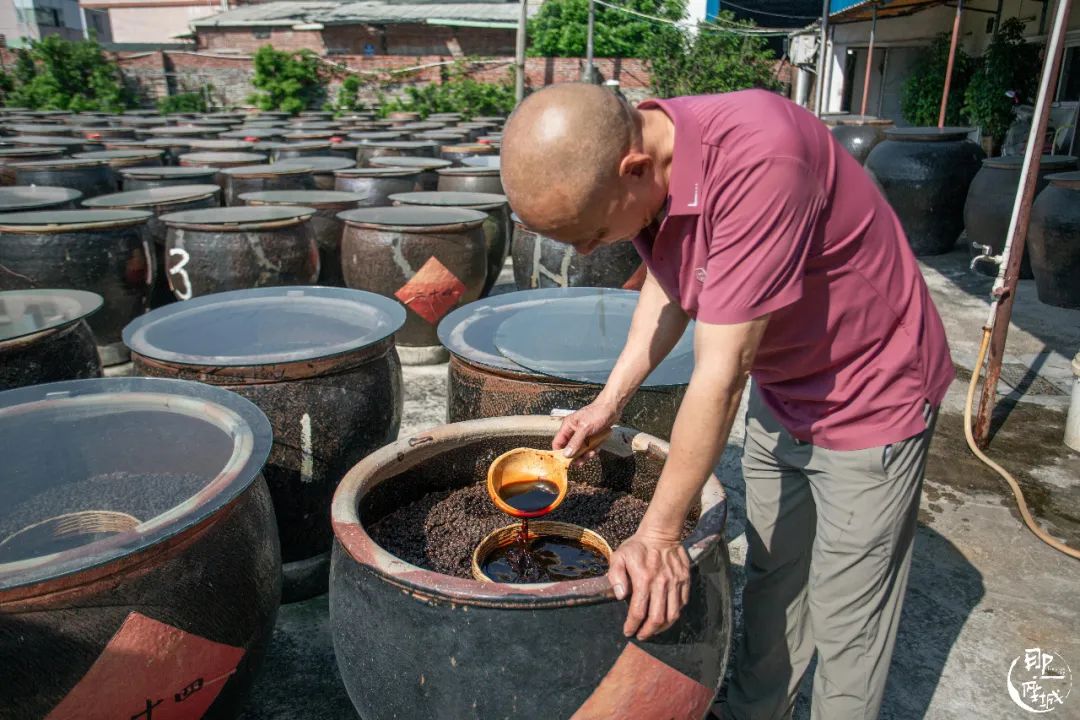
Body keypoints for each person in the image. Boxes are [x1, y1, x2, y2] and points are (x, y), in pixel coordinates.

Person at [499, 83, 954, 720]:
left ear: (633, 170)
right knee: (774, 575)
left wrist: (658, 535)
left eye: (591, 232)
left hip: (869, 392)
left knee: (849, 613)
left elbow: (721, 374)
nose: (583, 252)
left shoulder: (759, 161)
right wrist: (610, 401)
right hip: (786, 383)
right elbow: (668, 279)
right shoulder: (654, 166)